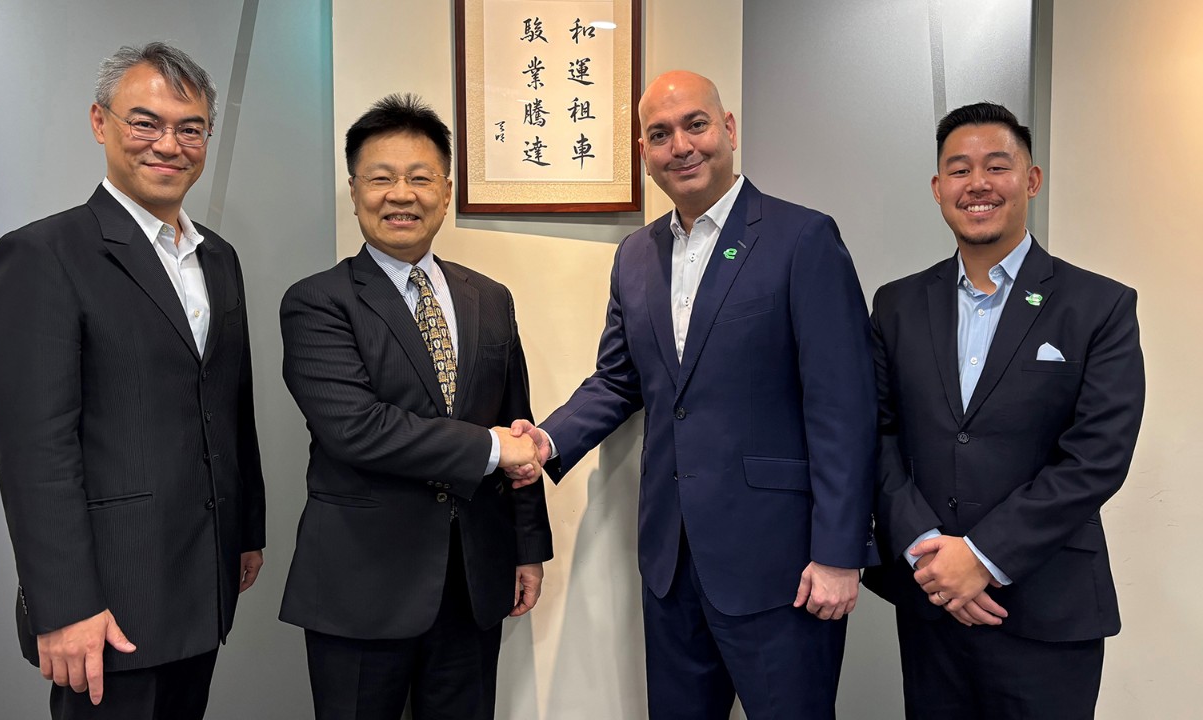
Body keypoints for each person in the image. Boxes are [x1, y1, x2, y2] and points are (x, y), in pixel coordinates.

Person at [509, 71, 876, 719]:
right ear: (643, 154)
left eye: (695, 125)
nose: (681, 145)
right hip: (670, 560)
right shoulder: (635, 257)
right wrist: (548, 438)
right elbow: (620, 379)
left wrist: (840, 554)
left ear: (728, 129)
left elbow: (843, 406)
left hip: (782, 565)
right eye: (659, 134)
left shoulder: (802, 238)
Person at [0, 42, 266, 719]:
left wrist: (246, 529)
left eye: (190, 128)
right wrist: (65, 604)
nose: (169, 144)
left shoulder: (217, 259)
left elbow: (227, 404)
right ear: (100, 122)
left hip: (204, 576)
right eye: (145, 122)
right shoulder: (43, 255)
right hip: (108, 598)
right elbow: (34, 451)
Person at [863, 102, 1145, 719]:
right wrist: (927, 550)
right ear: (939, 189)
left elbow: (1097, 457)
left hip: (1047, 607)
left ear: (1031, 179)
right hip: (931, 605)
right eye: (959, 170)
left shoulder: (1099, 306)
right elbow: (878, 437)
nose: (978, 184)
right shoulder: (897, 305)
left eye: (998, 166)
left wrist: (983, 557)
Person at [277, 93, 552, 720]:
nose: (401, 194)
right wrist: (490, 448)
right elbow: (357, 429)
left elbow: (518, 426)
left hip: (472, 578)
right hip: (359, 584)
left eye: (420, 177)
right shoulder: (319, 302)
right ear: (354, 190)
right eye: (381, 178)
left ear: (446, 191)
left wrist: (526, 546)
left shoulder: (490, 299)